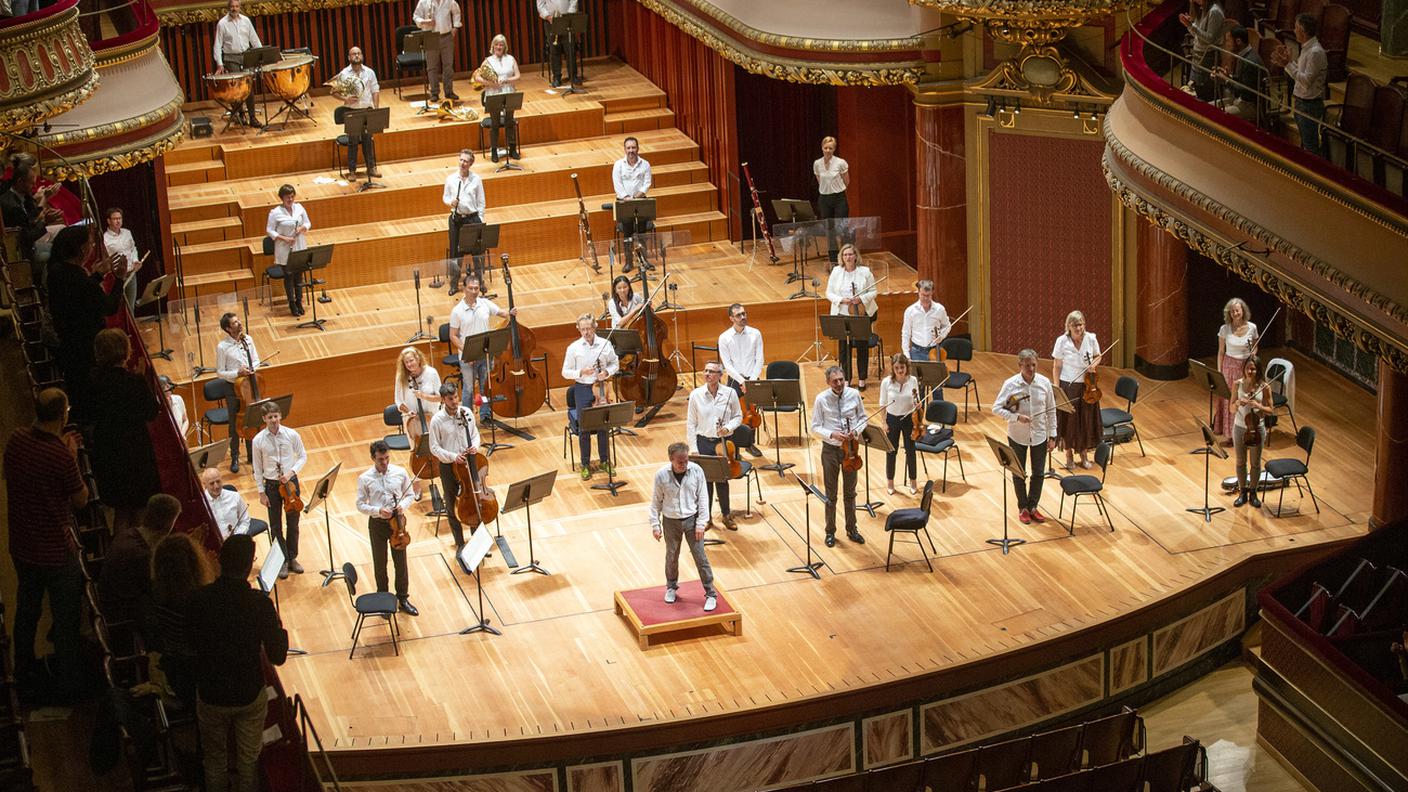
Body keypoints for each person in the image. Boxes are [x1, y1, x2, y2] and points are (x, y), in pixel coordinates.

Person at [188, 534, 289, 792]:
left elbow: (190, 644)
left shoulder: (198, 599)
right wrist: (279, 629)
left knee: (214, 760)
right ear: (247, 567)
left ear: (220, 561)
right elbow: (277, 656)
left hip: (210, 691)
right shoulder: (259, 604)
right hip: (247, 692)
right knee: (248, 761)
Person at [5, 388, 88, 696]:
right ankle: (68, 682)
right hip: (54, 549)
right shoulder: (59, 456)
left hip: (22, 542)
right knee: (65, 619)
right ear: (63, 416)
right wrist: (71, 457)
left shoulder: (16, 439)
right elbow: (81, 499)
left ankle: (22, 670)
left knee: (27, 609)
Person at [86, 329, 162, 536]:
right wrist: (141, 380)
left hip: (107, 450)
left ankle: (120, 548)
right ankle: (135, 551)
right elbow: (151, 412)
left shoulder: (93, 380)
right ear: (125, 351)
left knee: (121, 511)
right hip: (134, 451)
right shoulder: (133, 382)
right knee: (139, 510)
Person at [45, 226, 124, 409]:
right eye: (90, 243)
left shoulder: (57, 270)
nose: (92, 246)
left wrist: (97, 275)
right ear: (82, 249)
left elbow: (78, 296)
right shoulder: (78, 278)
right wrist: (119, 279)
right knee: (90, 397)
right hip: (86, 348)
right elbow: (109, 307)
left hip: (68, 343)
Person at [97, 493, 181, 639]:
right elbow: (161, 595)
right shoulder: (143, 557)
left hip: (109, 607)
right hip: (124, 621)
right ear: (169, 525)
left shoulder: (127, 534)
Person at [686, 361, 754, 531]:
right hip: (703, 443)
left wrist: (728, 428)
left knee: (722, 480)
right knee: (705, 483)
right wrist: (694, 448)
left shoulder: (730, 393)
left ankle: (726, 515)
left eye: (712, 371)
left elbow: (738, 416)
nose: (707, 374)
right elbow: (691, 424)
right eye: (706, 371)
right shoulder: (696, 395)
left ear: (720, 375)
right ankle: (706, 518)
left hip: (722, 443)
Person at [993, 349, 1059, 525]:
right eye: (1027, 365)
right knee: (1019, 473)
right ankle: (1023, 507)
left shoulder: (1044, 383)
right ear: (1020, 365)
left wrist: (1053, 435)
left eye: (1034, 365)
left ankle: (1033, 506)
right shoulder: (1010, 384)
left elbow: (1051, 411)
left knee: (1038, 473)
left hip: (1039, 434)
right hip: (1017, 435)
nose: (1031, 369)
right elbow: (997, 408)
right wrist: (1017, 417)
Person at [649, 442, 717, 612]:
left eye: (686, 460)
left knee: (700, 557)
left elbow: (703, 498)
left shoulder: (697, 471)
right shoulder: (661, 475)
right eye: (680, 462)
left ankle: (710, 594)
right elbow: (656, 501)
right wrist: (655, 525)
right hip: (670, 521)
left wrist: (701, 523)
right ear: (671, 459)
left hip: (692, 521)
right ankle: (671, 587)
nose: (684, 464)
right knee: (671, 556)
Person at [146, 533, 211, 707]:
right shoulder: (197, 605)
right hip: (196, 679)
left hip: (174, 668)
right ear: (195, 566)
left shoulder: (155, 596)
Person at [356, 440, 419, 615]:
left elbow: (410, 495)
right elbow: (360, 505)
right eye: (380, 459)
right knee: (380, 563)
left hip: (397, 524)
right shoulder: (365, 478)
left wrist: (402, 506)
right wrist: (377, 510)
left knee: (401, 563)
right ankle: (383, 599)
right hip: (377, 524)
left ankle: (403, 598)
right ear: (373, 458)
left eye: (386, 458)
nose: (384, 462)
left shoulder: (400, 472)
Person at [811, 365, 867, 546]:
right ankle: (830, 531)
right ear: (828, 382)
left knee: (850, 493)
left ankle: (852, 529)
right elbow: (815, 426)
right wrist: (832, 434)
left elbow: (863, 418)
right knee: (831, 494)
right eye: (835, 381)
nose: (839, 383)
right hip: (830, 450)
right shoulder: (821, 399)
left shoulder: (854, 394)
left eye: (841, 380)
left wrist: (856, 431)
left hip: (851, 450)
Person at [448, 275, 515, 423]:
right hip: (468, 357)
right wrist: (467, 352)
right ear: (464, 289)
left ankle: (485, 415)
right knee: (468, 389)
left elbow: (503, 314)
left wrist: (511, 313)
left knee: (486, 386)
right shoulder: (457, 311)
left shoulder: (485, 304)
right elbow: (453, 335)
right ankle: (467, 418)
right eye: (470, 288)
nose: (474, 291)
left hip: (485, 354)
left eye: (476, 288)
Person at [251, 402, 306, 578]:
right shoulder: (258, 440)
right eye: (270, 417)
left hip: (290, 483)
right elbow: (257, 468)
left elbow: (302, 456)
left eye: (276, 416)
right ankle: (282, 560)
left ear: (280, 416)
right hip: (272, 486)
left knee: (293, 522)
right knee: (275, 525)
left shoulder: (291, 434)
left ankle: (292, 557)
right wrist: (261, 492)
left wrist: (291, 472)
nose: (273, 420)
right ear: (264, 419)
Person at [561, 313, 619, 480]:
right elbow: (565, 372)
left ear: (594, 327)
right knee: (584, 427)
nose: (586, 332)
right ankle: (585, 464)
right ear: (578, 329)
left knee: (603, 426)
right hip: (582, 388)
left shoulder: (605, 344)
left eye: (588, 328)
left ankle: (604, 461)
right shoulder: (573, 348)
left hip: (601, 387)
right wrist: (581, 372)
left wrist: (606, 372)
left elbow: (615, 363)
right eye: (583, 329)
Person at [428, 382, 480, 549]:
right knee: (451, 505)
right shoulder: (437, 420)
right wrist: (453, 456)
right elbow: (434, 447)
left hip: (468, 462)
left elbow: (475, 434)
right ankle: (460, 543)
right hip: (449, 466)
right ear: (443, 400)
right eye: (450, 399)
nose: (455, 401)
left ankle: (478, 543)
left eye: (456, 397)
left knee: (474, 501)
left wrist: (475, 446)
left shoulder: (467, 412)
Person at [1051, 310, 1102, 470]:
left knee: (1085, 420)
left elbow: (1098, 356)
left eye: (1080, 324)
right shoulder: (1062, 341)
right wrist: (1057, 387)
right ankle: (1069, 456)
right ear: (1069, 326)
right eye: (1075, 325)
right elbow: (1057, 365)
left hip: (1087, 386)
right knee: (1070, 422)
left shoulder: (1091, 338)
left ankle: (1084, 455)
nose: (1078, 328)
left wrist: (1093, 365)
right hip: (1068, 385)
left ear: (1084, 324)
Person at [1272, 13, 1327, 157]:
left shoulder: (1315, 52)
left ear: (1302, 30)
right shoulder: (1307, 48)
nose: (1294, 30)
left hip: (1309, 105)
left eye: (1296, 28)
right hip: (1301, 102)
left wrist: (1288, 64)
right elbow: (1300, 74)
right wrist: (1287, 63)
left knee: (1310, 147)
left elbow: (1306, 81)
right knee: (1305, 144)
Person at [825, 243, 878, 389]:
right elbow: (828, 293)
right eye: (845, 255)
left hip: (860, 312)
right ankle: (846, 379)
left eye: (850, 254)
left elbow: (874, 291)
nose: (848, 257)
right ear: (841, 257)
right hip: (842, 312)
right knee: (844, 348)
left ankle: (862, 379)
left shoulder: (865, 271)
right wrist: (842, 300)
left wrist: (861, 298)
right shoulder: (836, 271)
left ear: (856, 256)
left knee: (862, 346)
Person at [1, 159, 63, 278]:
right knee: (60, 253)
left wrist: (44, 200)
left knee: (61, 233)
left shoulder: (21, 195)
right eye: (31, 183)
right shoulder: (12, 206)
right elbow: (26, 238)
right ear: (20, 182)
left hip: (29, 243)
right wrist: (45, 222)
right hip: (23, 254)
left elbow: (31, 217)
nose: (34, 186)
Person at [216, 312, 261, 472]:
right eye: (235, 323)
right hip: (233, 388)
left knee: (251, 419)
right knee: (235, 423)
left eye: (238, 320)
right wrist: (237, 373)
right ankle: (234, 456)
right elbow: (220, 372)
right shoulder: (222, 347)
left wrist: (252, 368)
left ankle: (251, 455)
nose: (239, 323)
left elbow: (256, 359)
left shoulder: (248, 339)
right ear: (228, 328)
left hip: (249, 384)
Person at [394, 345, 442, 499]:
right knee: (415, 451)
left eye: (411, 360)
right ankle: (416, 484)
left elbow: (441, 397)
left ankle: (445, 479)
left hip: (432, 417)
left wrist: (424, 396)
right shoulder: (401, 377)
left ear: (418, 359)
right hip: (411, 420)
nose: (409, 364)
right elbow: (398, 401)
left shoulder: (431, 373)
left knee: (438, 447)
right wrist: (407, 411)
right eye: (406, 362)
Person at [716, 303, 763, 455]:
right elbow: (727, 364)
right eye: (739, 315)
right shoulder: (724, 337)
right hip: (735, 380)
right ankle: (735, 447)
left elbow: (759, 359)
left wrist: (751, 380)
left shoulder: (755, 333)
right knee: (734, 413)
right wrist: (742, 381)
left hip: (752, 377)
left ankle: (750, 444)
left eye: (744, 313)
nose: (743, 317)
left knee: (752, 412)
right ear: (731, 318)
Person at [1231, 355, 1274, 508]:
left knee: (1255, 463)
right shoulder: (1237, 384)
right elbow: (1231, 409)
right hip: (1240, 427)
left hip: (1257, 428)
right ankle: (1242, 492)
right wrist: (1237, 402)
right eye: (1248, 368)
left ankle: (1253, 493)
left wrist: (1258, 405)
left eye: (1253, 369)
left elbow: (1271, 410)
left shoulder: (1264, 387)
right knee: (1240, 461)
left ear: (1258, 370)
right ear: (1244, 369)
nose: (1250, 371)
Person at [212, 0, 263, 127]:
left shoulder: (246, 20)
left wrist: (261, 56)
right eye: (232, 6)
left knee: (248, 87)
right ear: (228, 8)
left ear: (240, 7)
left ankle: (252, 117)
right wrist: (220, 63)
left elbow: (254, 39)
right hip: (231, 58)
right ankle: (241, 115)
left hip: (246, 56)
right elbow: (217, 45)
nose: (234, 9)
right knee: (236, 88)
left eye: (236, 6)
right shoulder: (222, 24)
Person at [1213, 297, 1257, 442]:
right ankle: (1229, 433)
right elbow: (1221, 352)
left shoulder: (1252, 328)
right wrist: (1219, 371)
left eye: (1237, 310)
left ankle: (1242, 431)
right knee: (1229, 399)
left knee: (1242, 397)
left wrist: (1252, 356)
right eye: (1232, 312)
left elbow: (1255, 347)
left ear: (1243, 311)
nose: (1235, 313)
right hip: (1228, 366)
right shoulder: (1224, 329)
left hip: (1245, 367)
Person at [443, 149, 485, 295]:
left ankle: (480, 282)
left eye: (466, 161)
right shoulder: (451, 179)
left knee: (477, 253)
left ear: (471, 164)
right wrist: (451, 202)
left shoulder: (476, 179)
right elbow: (445, 197)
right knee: (456, 253)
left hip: (472, 218)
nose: (462, 163)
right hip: (457, 220)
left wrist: (480, 219)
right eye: (461, 160)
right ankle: (454, 284)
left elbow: (481, 201)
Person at [334, 46, 381, 178]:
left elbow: (375, 90)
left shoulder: (370, 72)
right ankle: (352, 171)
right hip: (352, 111)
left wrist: (376, 108)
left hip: (367, 110)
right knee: (353, 142)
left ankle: (371, 168)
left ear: (362, 56)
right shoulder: (344, 74)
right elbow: (333, 91)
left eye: (359, 53)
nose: (356, 56)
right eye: (353, 54)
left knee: (368, 141)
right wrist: (345, 99)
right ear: (349, 57)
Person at [266, 184, 310, 316]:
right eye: (287, 197)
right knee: (289, 276)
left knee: (299, 276)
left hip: (299, 246)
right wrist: (284, 238)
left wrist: (301, 228)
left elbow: (308, 223)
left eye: (292, 197)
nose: (290, 199)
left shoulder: (299, 207)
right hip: (284, 248)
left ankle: (299, 301)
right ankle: (291, 303)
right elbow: (269, 230)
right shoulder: (275, 213)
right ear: (282, 198)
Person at [879, 354, 919, 496]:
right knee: (891, 451)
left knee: (911, 450)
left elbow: (916, 399)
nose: (900, 371)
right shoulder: (886, 382)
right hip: (892, 419)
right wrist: (884, 422)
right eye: (896, 368)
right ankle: (890, 482)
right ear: (893, 368)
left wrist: (918, 405)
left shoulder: (913, 380)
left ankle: (913, 481)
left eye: (902, 367)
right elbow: (882, 403)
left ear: (906, 366)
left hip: (909, 419)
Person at [480, 34, 522, 163]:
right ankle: (494, 150)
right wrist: (491, 83)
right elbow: (477, 77)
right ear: (493, 46)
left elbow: (518, 76)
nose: (499, 47)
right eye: (497, 44)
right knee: (495, 123)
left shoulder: (510, 59)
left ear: (505, 47)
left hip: (509, 91)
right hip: (494, 93)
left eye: (501, 45)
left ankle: (512, 148)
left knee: (509, 121)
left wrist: (507, 80)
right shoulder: (488, 61)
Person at [411, 0, 462, 103]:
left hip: (446, 36)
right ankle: (434, 93)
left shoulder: (449, 1)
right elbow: (416, 16)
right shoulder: (423, 2)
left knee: (448, 65)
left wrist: (455, 27)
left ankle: (449, 91)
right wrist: (424, 22)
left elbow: (456, 12)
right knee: (432, 67)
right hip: (430, 36)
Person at [1211, 26, 1264, 119]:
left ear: (1238, 41)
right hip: (1241, 100)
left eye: (1228, 41)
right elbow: (1243, 81)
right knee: (1208, 107)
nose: (1226, 44)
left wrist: (1226, 80)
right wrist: (1229, 76)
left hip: (1251, 105)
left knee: (1216, 116)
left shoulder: (1250, 61)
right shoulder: (1245, 55)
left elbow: (1246, 91)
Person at [813, 136, 850, 263]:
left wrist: (837, 190)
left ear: (834, 149)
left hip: (839, 198)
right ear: (822, 148)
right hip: (824, 199)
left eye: (831, 148)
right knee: (830, 230)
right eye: (826, 148)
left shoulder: (840, 162)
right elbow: (819, 180)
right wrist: (826, 190)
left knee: (842, 228)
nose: (828, 150)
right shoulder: (817, 163)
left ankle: (846, 257)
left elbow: (846, 181)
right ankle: (834, 260)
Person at [1179, 0, 1225, 100]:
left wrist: (1192, 26)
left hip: (1209, 56)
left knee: (1205, 92)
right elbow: (1197, 36)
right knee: (1196, 89)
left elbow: (1209, 39)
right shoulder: (1202, 9)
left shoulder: (1214, 12)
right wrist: (1189, 25)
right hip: (1198, 55)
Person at [612, 137, 654, 243]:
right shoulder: (618, 165)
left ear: (638, 148)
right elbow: (617, 184)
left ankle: (642, 253)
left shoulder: (645, 164)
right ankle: (628, 254)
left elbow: (647, 183)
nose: (631, 150)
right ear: (625, 149)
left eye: (633, 147)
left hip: (640, 200)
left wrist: (635, 198)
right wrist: (626, 198)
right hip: (623, 201)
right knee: (628, 233)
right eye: (628, 148)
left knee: (642, 233)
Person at [900, 279, 952, 362]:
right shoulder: (910, 311)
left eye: (928, 295)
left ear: (932, 293)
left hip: (934, 351)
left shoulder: (939, 309)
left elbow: (947, 325)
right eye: (923, 295)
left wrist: (941, 336)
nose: (925, 298)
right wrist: (906, 355)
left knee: (936, 371)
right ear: (918, 292)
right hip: (916, 351)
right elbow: (906, 333)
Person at [102, 207, 142, 310]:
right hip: (117, 277)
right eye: (115, 219)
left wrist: (135, 260)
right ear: (109, 221)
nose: (118, 221)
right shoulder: (105, 238)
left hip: (131, 273)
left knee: (131, 307)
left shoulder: (127, 232)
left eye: (120, 218)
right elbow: (105, 258)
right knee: (119, 307)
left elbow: (133, 249)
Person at [201, 466, 253, 540]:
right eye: (211, 483)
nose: (216, 486)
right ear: (205, 485)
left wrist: (236, 536)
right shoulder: (201, 503)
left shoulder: (234, 496)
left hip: (235, 540)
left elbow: (245, 520)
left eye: (218, 481)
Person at [538, 0, 581, 87]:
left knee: (570, 48)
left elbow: (573, 1)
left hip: (567, 20)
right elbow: (540, 5)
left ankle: (573, 76)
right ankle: (557, 78)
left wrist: (569, 15)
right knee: (554, 50)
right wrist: (548, 16)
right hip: (550, 21)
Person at [159, 375, 190, 443]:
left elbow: (186, 420)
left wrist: (181, 435)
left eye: (168, 386)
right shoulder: (158, 407)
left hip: (181, 439)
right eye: (164, 387)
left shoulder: (178, 399)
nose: (167, 389)